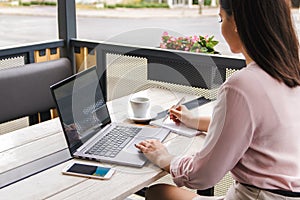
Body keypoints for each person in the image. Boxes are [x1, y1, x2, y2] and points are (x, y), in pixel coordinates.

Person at [135, 0, 300, 199]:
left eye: (221, 18)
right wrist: (194, 121)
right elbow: (261, 129)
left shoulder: (243, 84)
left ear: (237, 23)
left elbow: (203, 175)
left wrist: (164, 157)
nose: (221, 26)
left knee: (158, 193)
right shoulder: (291, 70)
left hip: (258, 196)